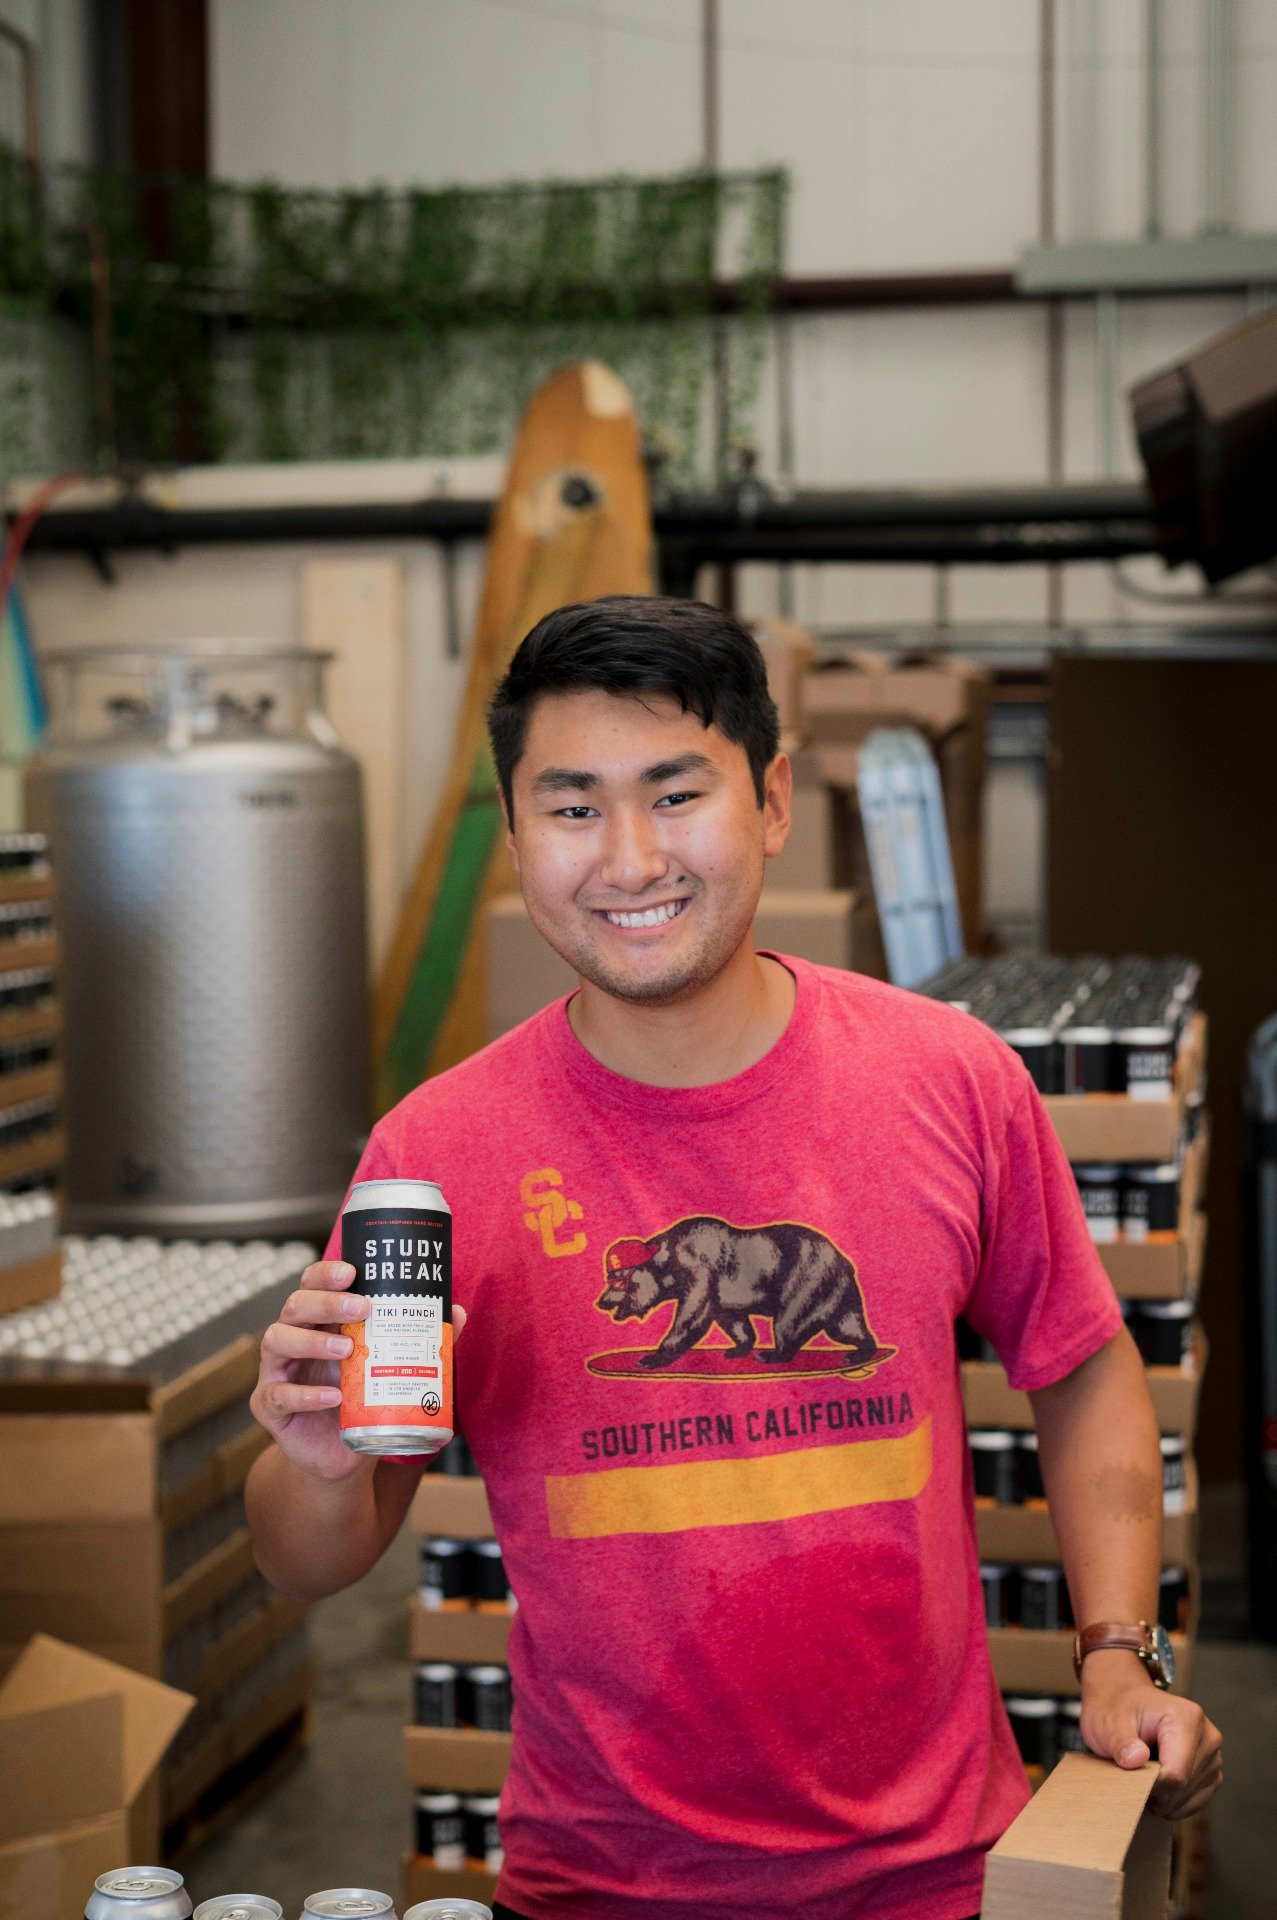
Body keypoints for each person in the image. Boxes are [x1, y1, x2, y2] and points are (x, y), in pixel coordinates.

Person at [246, 595, 1222, 1920]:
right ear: (517, 838)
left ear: (770, 801)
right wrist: (317, 1465)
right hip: (596, 1888)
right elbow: (309, 1561)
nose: (631, 857)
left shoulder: (949, 1080)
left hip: (935, 1874)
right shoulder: (436, 1156)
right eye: (574, 806)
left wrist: (1118, 1650)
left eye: (675, 793)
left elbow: (1085, 1365)